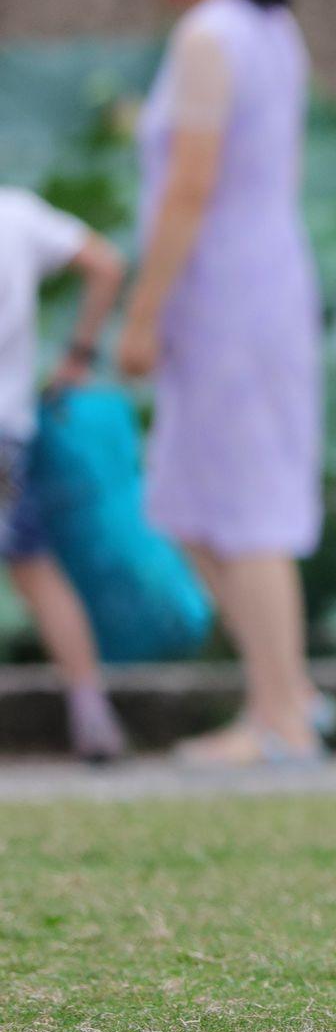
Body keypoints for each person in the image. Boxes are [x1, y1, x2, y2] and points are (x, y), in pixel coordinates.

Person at [115, 0, 326, 765]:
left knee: (243, 504)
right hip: (265, 278)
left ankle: (279, 715)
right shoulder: (273, 30)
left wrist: (141, 312)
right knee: (204, 499)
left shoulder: (208, 36)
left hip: (224, 295)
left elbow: (191, 186)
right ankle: (285, 697)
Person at [0, 187, 130, 760]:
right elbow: (106, 262)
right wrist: (79, 354)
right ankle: (91, 713)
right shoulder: (16, 214)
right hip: (8, 430)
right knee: (33, 568)